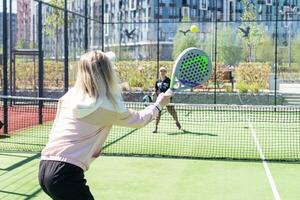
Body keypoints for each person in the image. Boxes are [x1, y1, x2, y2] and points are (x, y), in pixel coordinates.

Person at [38, 51, 172, 200]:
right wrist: (159, 104)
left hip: (44, 167)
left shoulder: (70, 96)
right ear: (105, 73)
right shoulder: (105, 106)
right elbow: (140, 119)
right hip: (65, 174)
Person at [152, 66, 181, 133]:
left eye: (164, 71)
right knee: (157, 114)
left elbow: (172, 89)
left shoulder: (169, 80)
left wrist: (171, 94)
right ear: (159, 72)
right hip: (159, 100)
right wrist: (154, 92)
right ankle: (155, 127)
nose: (162, 72)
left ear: (165, 72)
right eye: (161, 71)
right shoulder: (157, 81)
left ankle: (177, 121)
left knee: (173, 112)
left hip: (167, 99)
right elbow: (156, 89)